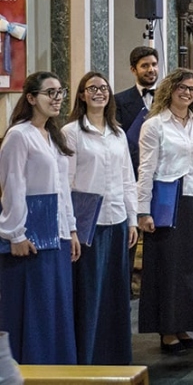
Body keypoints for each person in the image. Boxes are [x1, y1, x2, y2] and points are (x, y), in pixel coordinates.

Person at [137, 68, 193, 354]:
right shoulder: (155, 124)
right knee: (167, 267)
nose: (187, 92)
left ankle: (183, 325)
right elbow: (146, 168)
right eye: (182, 87)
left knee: (189, 268)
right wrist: (142, 210)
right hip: (166, 201)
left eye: (192, 89)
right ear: (170, 89)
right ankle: (166, 330)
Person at [0, 71, 79, 364]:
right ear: (31, 98)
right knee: (34, 309)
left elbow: (63, 188)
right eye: (51, 93)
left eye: (60, 92)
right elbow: (12, 186)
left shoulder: (52, 135)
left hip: (55, 235)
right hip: (29, 238)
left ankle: (58, 371)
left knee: (55, 309)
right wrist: (15, 234)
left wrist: (71, 229)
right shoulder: (19, 135)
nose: (57, 99)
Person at [64, 72, 137, 364]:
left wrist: (132, 219)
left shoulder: (117, 132)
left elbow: (127, 178)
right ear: (82, 95)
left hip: (116, 219)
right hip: (87, 223)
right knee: (90, 292)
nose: (99, 92)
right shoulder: (71, 132)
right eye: (92, 88)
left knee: (116, 293)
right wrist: (70, 228)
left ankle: (116, 355)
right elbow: (65, 183)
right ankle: (89, 356)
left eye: (104, 88)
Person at [114, 45, 160, 177]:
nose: (151, 69)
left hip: (162, 171)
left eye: (154, 64)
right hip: (132, 170)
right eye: (145, 66)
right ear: (133, 70)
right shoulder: (119, 100)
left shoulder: (169, 100)